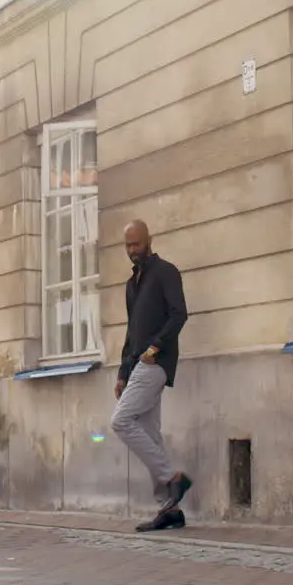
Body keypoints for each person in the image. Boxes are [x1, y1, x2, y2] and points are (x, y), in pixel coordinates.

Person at [112, 220, 192, 532]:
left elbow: (179, 314)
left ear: (149, 240)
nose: (133, 250)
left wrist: (156, 347)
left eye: (137, 244)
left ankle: (173, 478)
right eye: (128, 246)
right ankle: (169, 509)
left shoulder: (166, 272)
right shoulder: (132, 285)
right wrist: (121, 372)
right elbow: (131, 333)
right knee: (149, 432)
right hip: (135, 366)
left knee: (120, 421)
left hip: (156, 363)